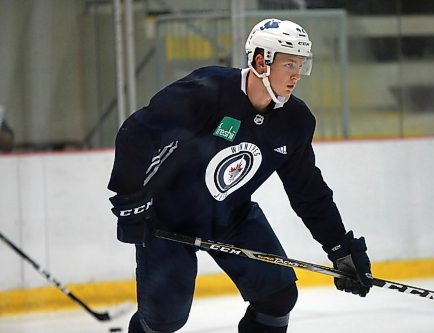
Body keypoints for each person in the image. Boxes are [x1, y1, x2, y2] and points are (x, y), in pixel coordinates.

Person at [108, 18, 373, 333]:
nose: (296, 74)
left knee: (278, 297)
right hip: (167, 220)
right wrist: (129, 200)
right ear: (261, 60)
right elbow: (137, 133)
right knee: (164, 320)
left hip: (230, 216)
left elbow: (307, 190)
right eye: (289, 64)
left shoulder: (295, 121)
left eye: (301, 65)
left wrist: (339, 244)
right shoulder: (208, 91)